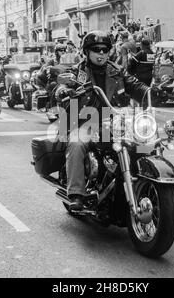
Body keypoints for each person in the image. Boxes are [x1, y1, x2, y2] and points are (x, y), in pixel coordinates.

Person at [55, 30, 150, 211]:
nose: (101, 53)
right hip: (86, 122)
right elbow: (61, 87)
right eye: (96, 49)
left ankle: (144, 180)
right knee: (76, 142)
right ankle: (76, 193)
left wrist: (150, 91)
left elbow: (134, 84)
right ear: (87, 52)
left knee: (144, 142)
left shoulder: (117, 71)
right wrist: (63, 91)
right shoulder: (77, 72)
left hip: (116, 122)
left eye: (105, 49)